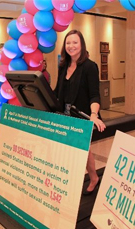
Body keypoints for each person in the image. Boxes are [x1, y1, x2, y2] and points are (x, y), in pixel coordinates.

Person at [54, 30, 106, 195]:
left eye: (75, 42)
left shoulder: (90, 67)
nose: (71, 46)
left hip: (82, 115)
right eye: (68, 43)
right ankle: (85, 178)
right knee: (76, 150)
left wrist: (93, 115)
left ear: (82, 45)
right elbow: (57, 92)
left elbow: (94, 94)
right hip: (64, 114)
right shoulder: (63, 66)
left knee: (82, 149)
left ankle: (93, 178)